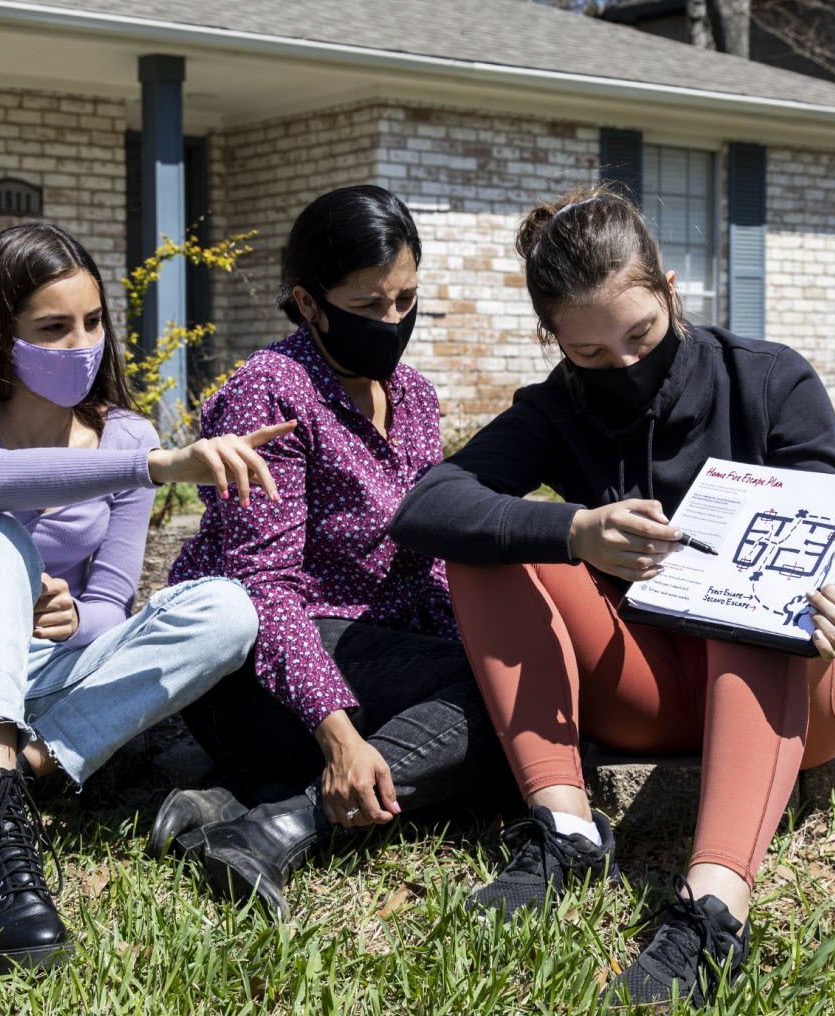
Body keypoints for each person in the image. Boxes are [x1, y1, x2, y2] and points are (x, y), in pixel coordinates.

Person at [389, 186, 835, 1009]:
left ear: (671, 288)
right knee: (488, 546)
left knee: (744, 597)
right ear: (553, 340)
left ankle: (713, 912)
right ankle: (567, 831)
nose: (621, 365)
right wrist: (575, 531)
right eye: (588, 353)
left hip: (807, 687)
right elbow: (429, 506)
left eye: (639, 335)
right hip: (647, 686)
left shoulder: (769, 380)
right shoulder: (555, 408)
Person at [0, 222, 285, 972]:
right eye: (53, 328)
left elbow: (109, 603)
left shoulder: (125, 435)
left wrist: (71, 618)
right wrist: (159, 466)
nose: (82, 343)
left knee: (228, 608)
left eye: (93, 322)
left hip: (49, 681)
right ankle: (4, 858)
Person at [158, 185, 508, 920]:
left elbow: (426, 558)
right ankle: (279, 824)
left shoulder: (413, 395)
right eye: (366, 305)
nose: (391, 322)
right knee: (500, 704)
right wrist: (341, 736)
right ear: (309, 303)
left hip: (370, 649)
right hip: (259, 675)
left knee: (522, 690)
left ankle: (255, 802)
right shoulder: (269, 394)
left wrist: (479, 642)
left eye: (406, 300)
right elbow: (265, 588)